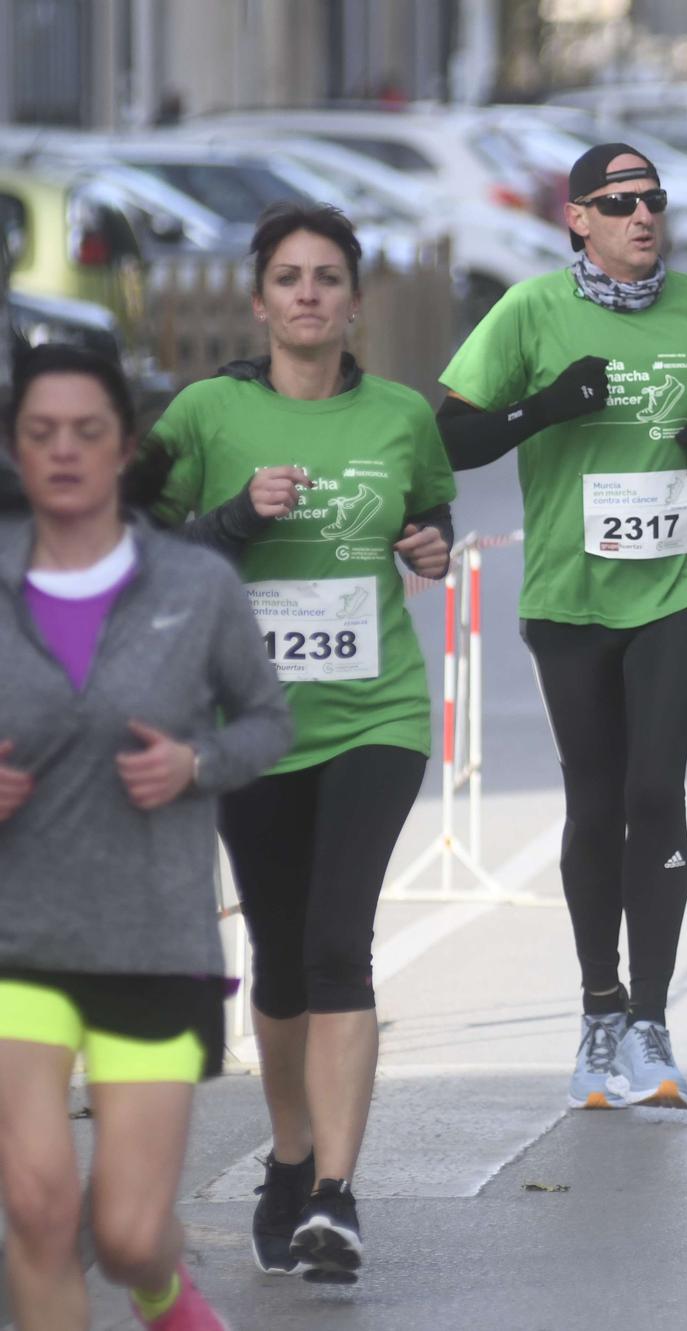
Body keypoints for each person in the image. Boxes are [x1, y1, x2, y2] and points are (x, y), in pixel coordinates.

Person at [142, 202, 456, 1284]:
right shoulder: (205, 414)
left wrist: (430, 542)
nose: (310, 293)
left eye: (329, 276)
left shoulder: (401, 417)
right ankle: (288, 1152)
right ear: (261, 298)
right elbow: (145, 550)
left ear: (355, 300)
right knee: (278, 956)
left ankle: (335, 1192)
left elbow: (431, 520)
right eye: (289, 277)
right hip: (250, 725)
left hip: (376, 714)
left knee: (336, 943)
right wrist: (234, 517)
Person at [437, 143, 687, 1115]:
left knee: (656, 787)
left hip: (676, 581)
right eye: (619, 203)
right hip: (570, 593)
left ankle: (652, 1021)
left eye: (654, 199)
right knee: (594, 799)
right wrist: (544, 407)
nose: (642, 216)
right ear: (578, 218)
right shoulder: (532, 309)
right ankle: (598, 1008)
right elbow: (451, 436)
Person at [0, 345, 292, 1330]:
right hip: (17, 939)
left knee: (124, 1233)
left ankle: (161, 1287)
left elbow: (266, 721)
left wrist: (194, 765)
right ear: (17, 450)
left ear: (126, 448)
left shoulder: (195, 584)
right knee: (38, 1210)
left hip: (154, 936)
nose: (66, 451)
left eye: (88, 431)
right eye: (42, 434)